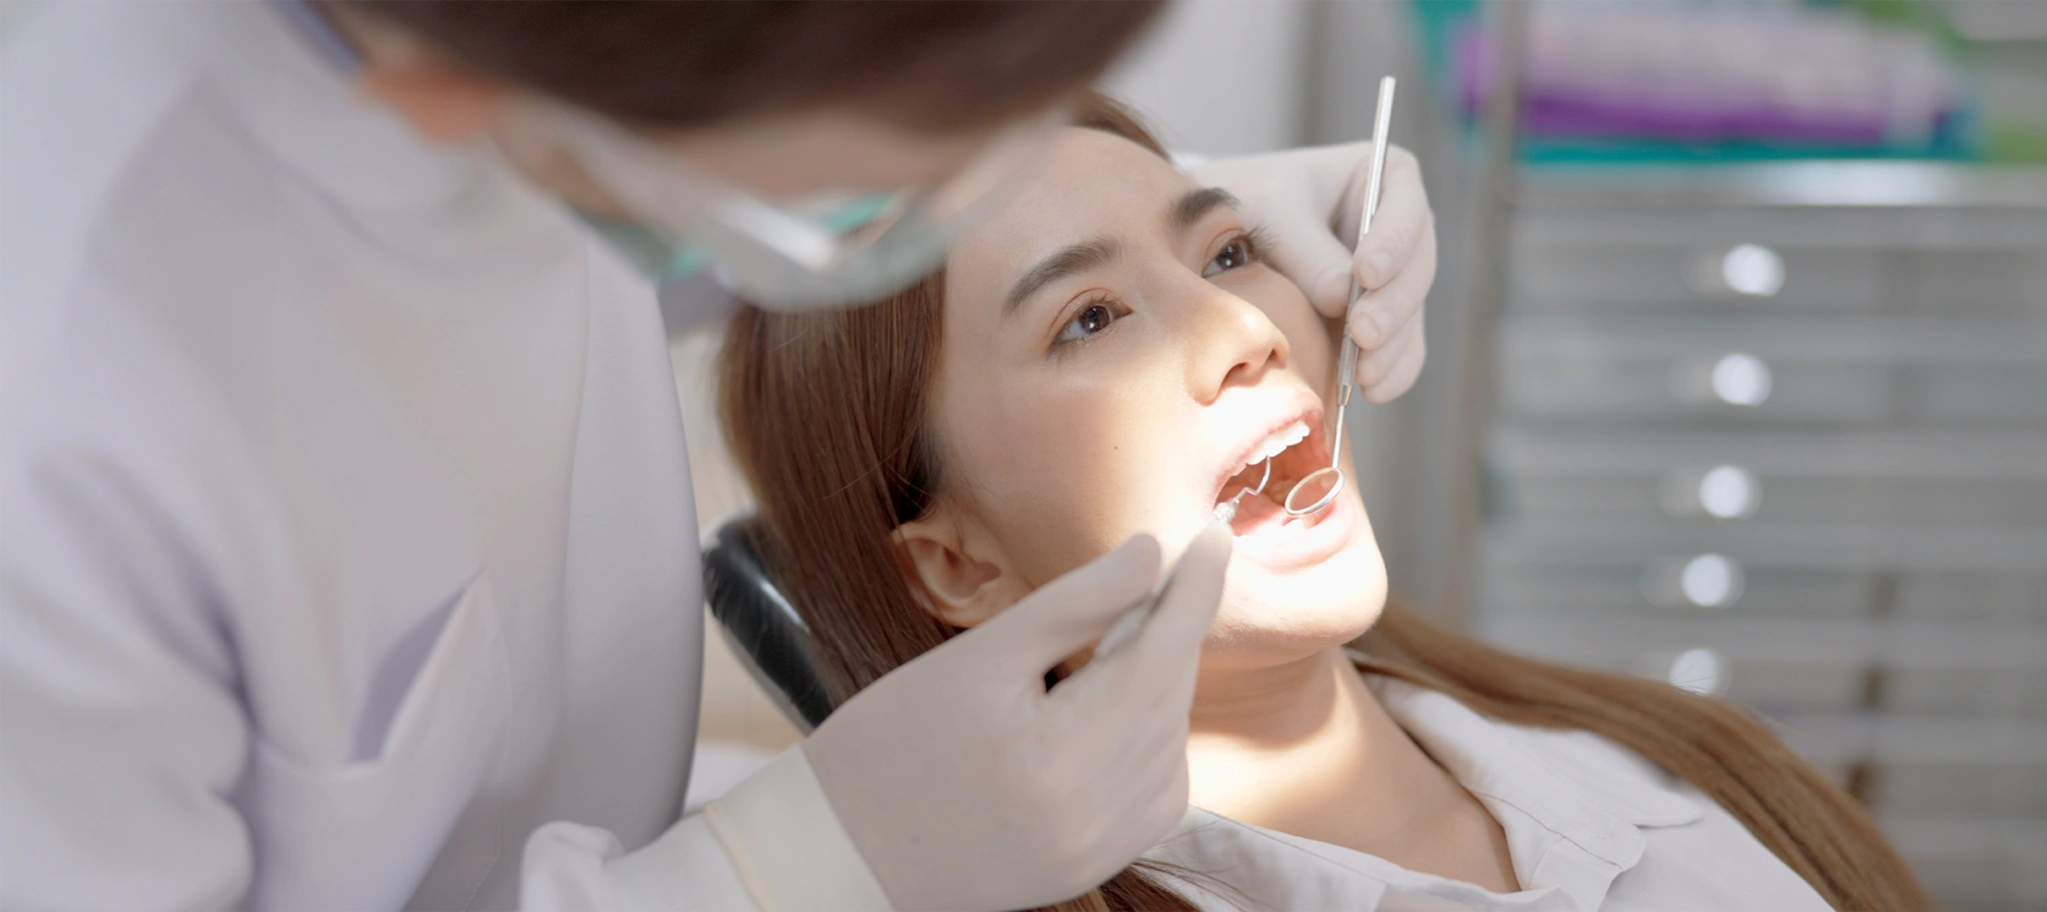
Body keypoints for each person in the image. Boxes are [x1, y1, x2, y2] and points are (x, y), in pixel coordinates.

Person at [0, 0, 1441, 910]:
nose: (1246, 331)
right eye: (900, 168)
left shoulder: (591, 100)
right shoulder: (68, 402)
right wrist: (787, 871)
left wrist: (1165, 216)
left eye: (1234, 262)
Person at [717, 95, 1934, 912]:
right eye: (1088, 319)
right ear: (956, 566)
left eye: (1227, 253)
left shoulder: (1688, 766)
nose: (1245, 329)